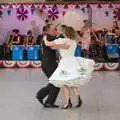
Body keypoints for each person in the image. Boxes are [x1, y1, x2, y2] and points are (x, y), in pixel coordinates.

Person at [44, 26, 95, 109]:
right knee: (71, 82)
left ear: (65, 33)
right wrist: (57, 46)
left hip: (65, 64)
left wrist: (45, 38)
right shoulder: (73, 42)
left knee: (65, 83)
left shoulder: (63, 40)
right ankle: (77, 98)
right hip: (73, 62)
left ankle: (68, 103)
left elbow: (48, 44)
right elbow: (58, 47)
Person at [36, 24, 60, 108]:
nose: (55, 30)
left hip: (47, 63)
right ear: (48, 30)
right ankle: (46, 100)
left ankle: (41, 96)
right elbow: (60, 40)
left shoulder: (46, 37)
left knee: (55, 82)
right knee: (56, 82)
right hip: (49, 63)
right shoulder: (49, 37)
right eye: (54, 29)